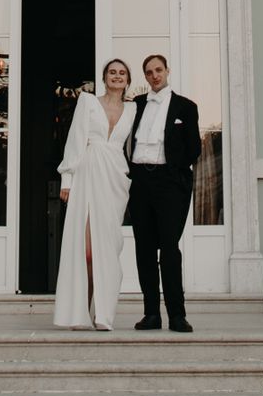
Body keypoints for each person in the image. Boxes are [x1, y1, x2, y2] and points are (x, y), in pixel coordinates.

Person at [51, 59, 135, 331]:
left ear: (128, 80)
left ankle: (103, 314)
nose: (117, 76)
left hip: (115, 179)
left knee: (109, 248)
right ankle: (80, 311)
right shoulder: (87, 102)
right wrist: (67, 178)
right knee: (86, 251)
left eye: (122, 73)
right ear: (104, 77)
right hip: (88, 174)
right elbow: (75, 140)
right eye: (113, 72)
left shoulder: (134, 109)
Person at [123, 53, 199, 332]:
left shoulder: (186, 107)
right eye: (149, 72)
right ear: (145, 77)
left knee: (169, 248)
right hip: (140, 181)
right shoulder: (137, 105)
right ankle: (151, 314)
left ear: (167, 71)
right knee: (143, 249)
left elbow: (194, 149)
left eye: (158, 70)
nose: (154, 75)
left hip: (169, 182)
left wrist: (174, 171)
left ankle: (177, 315)